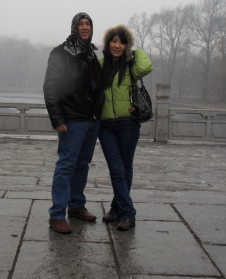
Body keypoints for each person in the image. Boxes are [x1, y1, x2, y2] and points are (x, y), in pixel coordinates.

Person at [43, 12, 104, 234]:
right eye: (81, 24)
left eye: (88, 24)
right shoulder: (61, 52)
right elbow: (50, 87)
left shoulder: (91, 53)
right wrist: (58, 119)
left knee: (82, 164)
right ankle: (57, 214)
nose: (85, 27)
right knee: (66, 165)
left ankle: (76, 205)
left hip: (92, 120)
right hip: (72, 119)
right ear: (74, 27)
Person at [98, 25, 153, 231]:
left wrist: (136, 50)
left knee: (125, 167)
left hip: (128, 124)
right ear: (108, 43)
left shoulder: (131, 65)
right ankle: (127, 211)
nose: (117, 45)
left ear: (126, 45)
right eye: (114, 41)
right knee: (116, 168)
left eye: (122, 42)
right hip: (105, 125)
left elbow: (146, 67)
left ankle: (118, 208)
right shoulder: (100, 64)